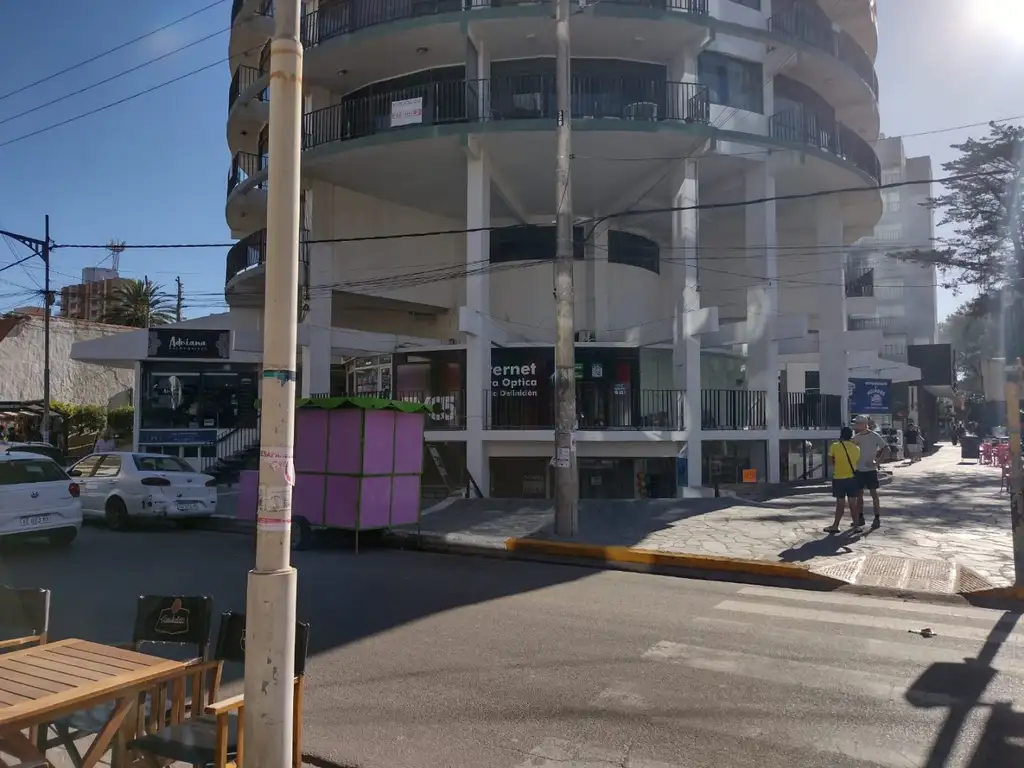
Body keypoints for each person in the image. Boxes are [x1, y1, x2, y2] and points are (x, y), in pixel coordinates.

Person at [852, 415, 889, 529]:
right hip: (859, 470)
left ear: (864, 424)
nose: (855, 426)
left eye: (857, 423)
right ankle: (860, 517)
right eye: (855, 423)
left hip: (871, 470)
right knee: (859, 495)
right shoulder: (856, 438)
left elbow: (886, 449)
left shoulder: (874, 436)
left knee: (874, 495)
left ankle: (877, 518)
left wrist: (876, 463)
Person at [825, 426, 862, 534]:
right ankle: (856, 526)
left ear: (841, 435)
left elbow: (830, 462)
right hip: (852, 479)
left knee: (840, 504)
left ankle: (835, 526)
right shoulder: (856, 448)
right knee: (853, 503)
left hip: (839, 478)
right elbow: (856, 462)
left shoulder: (835, 446)